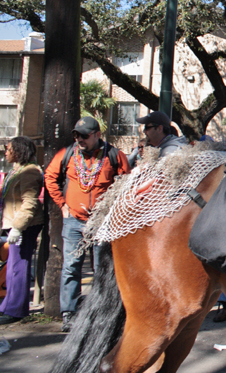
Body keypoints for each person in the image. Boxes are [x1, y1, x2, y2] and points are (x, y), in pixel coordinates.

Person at [44, 116, 131, 332]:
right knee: (71, 267)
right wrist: (63, 205)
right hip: (74, 221)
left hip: (102, 223)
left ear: (97, 135)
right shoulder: (67, 154)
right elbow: (50, 176)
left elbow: (128, 183)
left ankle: (99, 312)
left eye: (84, 135)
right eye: (76, 135)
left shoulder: (114, 155)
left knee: (101, 269)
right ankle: (69, 314)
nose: (79, 139)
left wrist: (115, 211)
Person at [0, 137, 44, 325]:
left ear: (19, 151)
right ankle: (9, 306)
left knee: (18, 267)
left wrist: (17, 227)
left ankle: (16, 310)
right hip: (14, 223)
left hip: (24, 226)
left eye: (8, 149)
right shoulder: (18, 170)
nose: (5, 152)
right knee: (13, 267)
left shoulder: (30, 172)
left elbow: (30, 203)